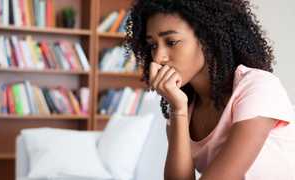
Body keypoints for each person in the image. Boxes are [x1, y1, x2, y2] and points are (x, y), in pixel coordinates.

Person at [124, 0, 295, 179]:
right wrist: (178, 110)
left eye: (172, 42)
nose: (158, 58)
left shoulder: (258, 87)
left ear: (207, 38)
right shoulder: (182, 105)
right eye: (153, 45)